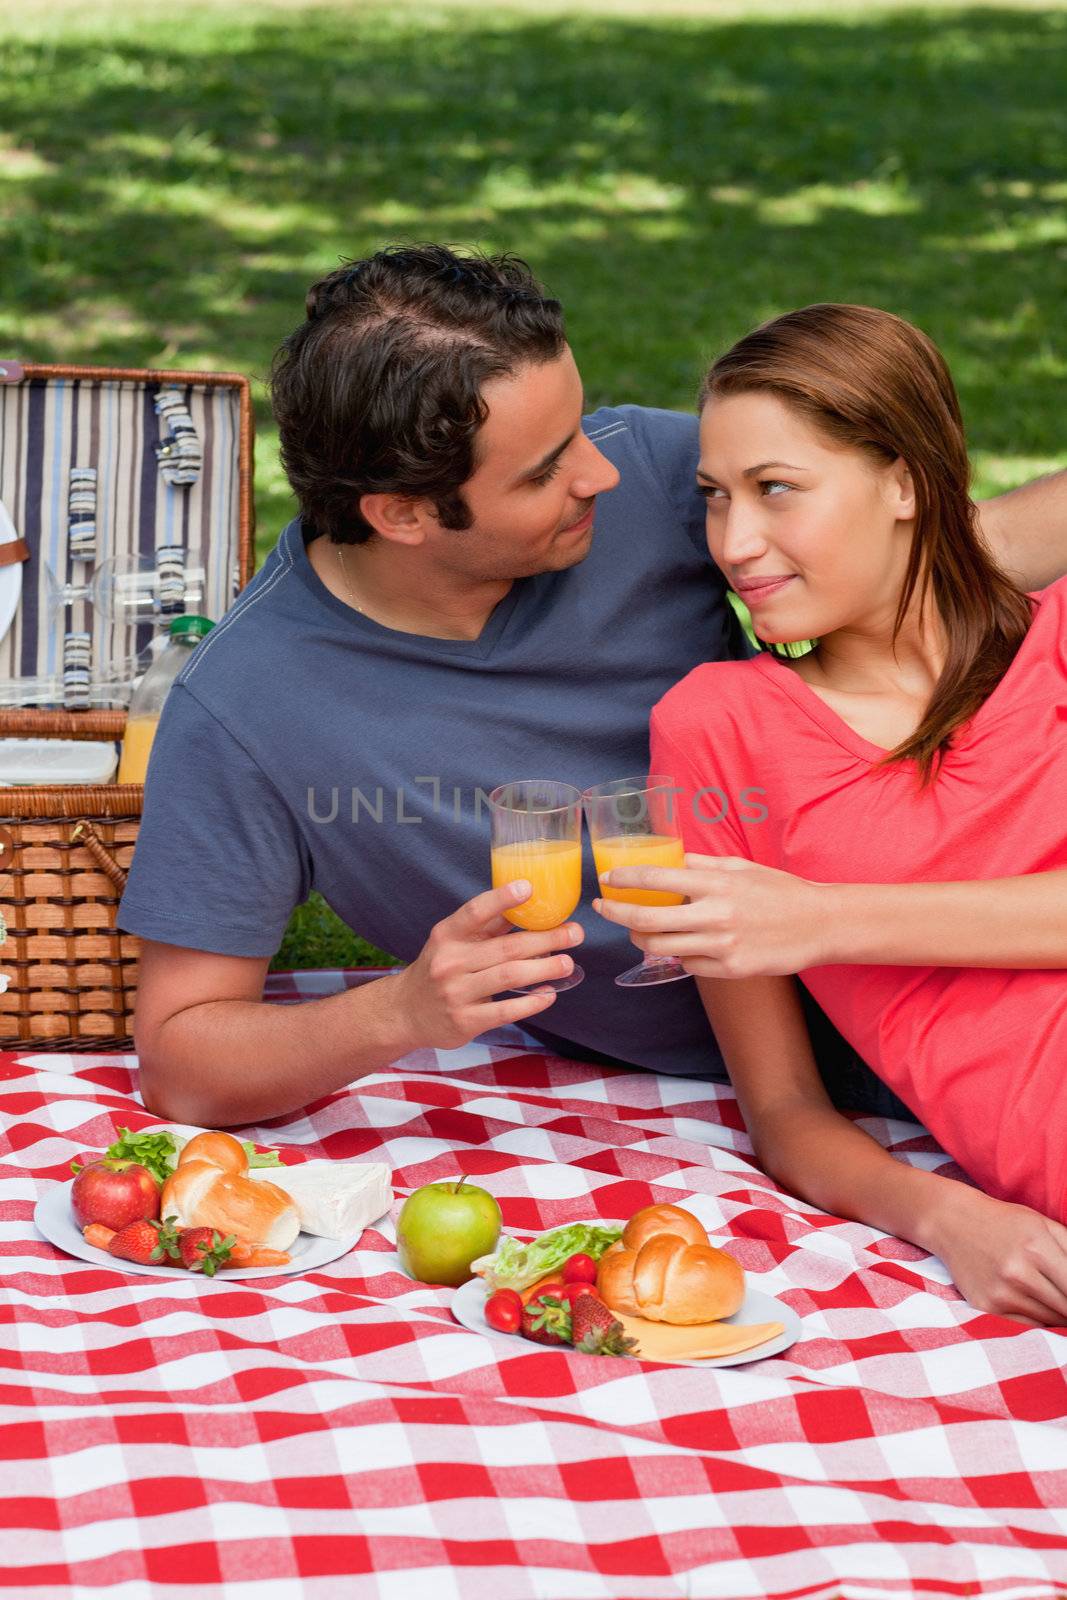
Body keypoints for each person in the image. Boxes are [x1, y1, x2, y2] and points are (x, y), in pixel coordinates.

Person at [118, 247, 1066, 1136]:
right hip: (841, 1071)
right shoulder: (246, 710)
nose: (601, 471)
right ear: (402, 513)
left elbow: (938, 554)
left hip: (971, 952)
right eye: (544, 471)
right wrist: (398, 1011)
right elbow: (182, 1056)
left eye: (577, 427)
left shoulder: (657, 481)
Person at [592, 302, 1067, 1324]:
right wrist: (949, 1218)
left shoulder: (1055, 639)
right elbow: (785, 1109)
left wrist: (822, 917)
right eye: (714, 498)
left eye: (775, 491)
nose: (735, 541)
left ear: (903, 482)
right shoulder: (718, 729)